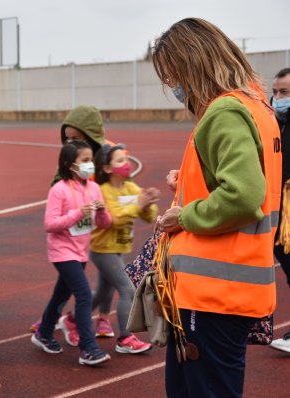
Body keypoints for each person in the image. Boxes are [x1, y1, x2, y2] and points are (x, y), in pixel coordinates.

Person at [153, 18, 281, 397]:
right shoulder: (257, 106)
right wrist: (191, 183)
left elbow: (243, 195)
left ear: (192, 64)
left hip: (212, 291)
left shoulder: (224, 111)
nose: (173, 86)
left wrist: (184, 215)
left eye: (173, 74)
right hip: (232, 283)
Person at [31, 140, 112, 366]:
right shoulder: (59, 189)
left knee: (61, 295)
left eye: (90, 161)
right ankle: (88, 348)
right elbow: (50, 224)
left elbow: (105, 223)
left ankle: (44, 333)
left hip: (80, 251)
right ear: (69, 164)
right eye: (84, 161)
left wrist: (103, 212)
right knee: (84, 295)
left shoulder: (94, 189)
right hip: (62, 251)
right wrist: (77, 213)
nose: (90, 165)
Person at [88, 143, 158, 353]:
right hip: (103, 249)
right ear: (107, 168)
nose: (125, 164)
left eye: (126, 160)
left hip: (118, 247)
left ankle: (73, 320)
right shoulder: (103, 191)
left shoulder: (130, 187)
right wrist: (138, 205)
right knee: (128, 289)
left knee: (102, 293)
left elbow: (149, 215)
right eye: (119, 161)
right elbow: (114, 219)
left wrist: (147, 204)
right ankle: (125, 339)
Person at [271, 67, 290, 353]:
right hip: (279, 207)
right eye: (275, 92)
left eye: (284, 92)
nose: (277, 97)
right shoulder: (275, 123)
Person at [51, 105, 106, 186]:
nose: (70, 143)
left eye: (75, 138)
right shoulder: (68, 158)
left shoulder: (107, 157)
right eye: (67, 138)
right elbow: (56, 184)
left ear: (91, 139)